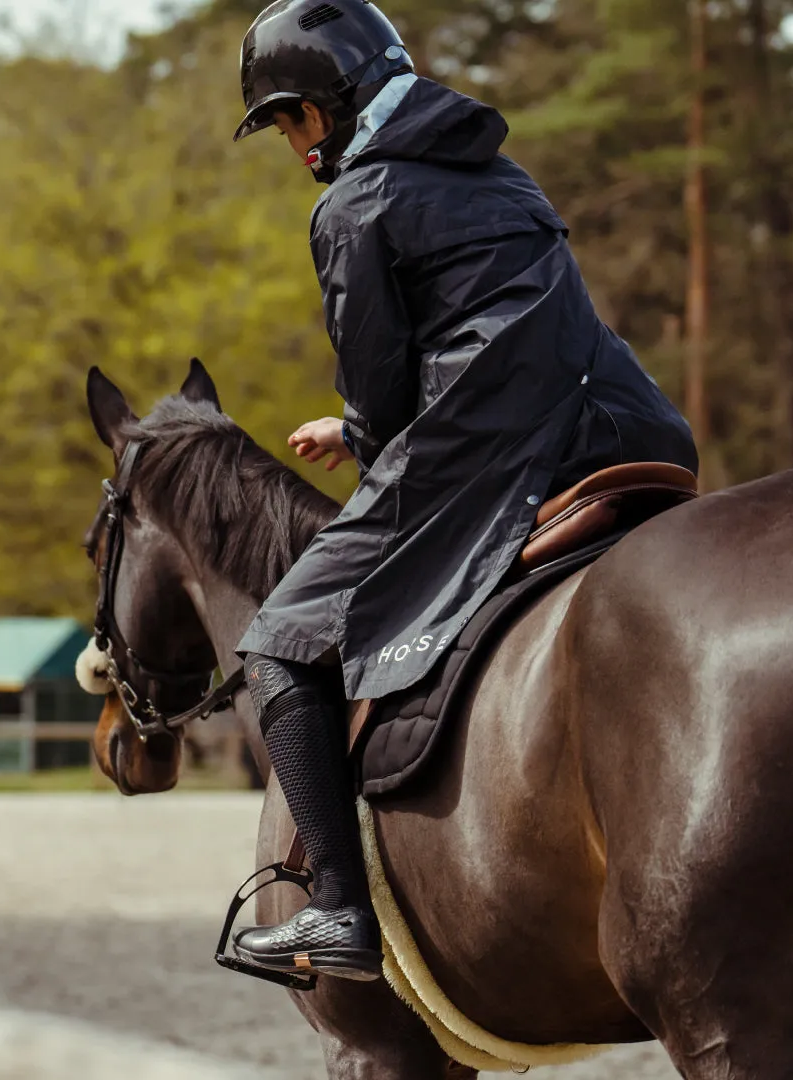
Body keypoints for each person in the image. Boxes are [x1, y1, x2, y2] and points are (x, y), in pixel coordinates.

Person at [230, 0, 699, 981]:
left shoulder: (352, 203)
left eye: (281, 125)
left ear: (313, 111)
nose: (286, 146)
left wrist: (359, 430)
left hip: (497, 447)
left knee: (279, 638)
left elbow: (387, 392)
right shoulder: (495, 167)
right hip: (631, 427)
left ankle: (338, 911)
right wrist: (352, 428)